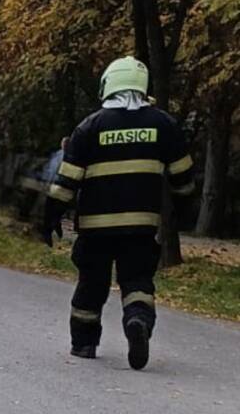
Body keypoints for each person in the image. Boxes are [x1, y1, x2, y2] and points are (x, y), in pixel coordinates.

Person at [42, 56, 194, 370]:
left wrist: (51, 215)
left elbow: (65, 182)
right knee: (137, 280)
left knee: (91, 284)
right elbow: (183, 178)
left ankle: (84, 343)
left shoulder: (89, 127)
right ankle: (137, 321)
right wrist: (182, 210)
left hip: (95, 228)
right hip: (141, 225)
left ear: (108, 85)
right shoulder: (163, 125)